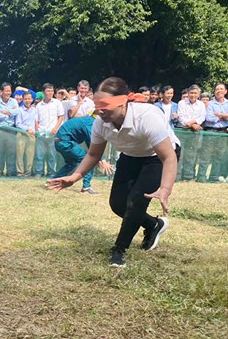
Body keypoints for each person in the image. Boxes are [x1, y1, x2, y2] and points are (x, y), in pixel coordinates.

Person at [48, 77, 180, 268]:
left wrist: (165, 188)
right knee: (118, 204)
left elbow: (169, 157)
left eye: (105, 106)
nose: (99, 111)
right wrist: (75, 177)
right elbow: (93, 154)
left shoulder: (146, 117)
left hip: (156, 157)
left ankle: (119, 250)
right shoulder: (100, 123)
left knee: (136, 201)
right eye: (97, 106)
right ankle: (153, 225)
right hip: (130, 155)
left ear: (122, 101)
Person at [52, 114, 114, 194]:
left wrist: (100, 159)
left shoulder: (87, 120)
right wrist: (103, 160)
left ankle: (54, 181)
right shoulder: (91, 123)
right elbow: (93, 145)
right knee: (88, 161)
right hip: (65, 143)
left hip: (59, 142)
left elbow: (91, 146)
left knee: (71, 163)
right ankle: (86, 187)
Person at [176, 84, 205, 181]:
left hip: (194, 133)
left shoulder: (201, 104)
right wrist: (192, 124)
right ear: (188, 93)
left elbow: (202, 117)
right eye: (191, 93)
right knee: (180, 155)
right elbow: (181, 116)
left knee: (191, 155)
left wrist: (192, 123)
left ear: (198, 94)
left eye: (195, 93)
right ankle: (177, 176)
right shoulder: (181, 103)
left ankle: (188, 177)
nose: (193, 95)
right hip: (183, 131)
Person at [200, 83, 228, 182]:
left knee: (219, 155)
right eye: (217, 89)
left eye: (221, 89)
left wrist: (219, 114)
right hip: (210, 131)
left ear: (225, 91)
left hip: (223, 132)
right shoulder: (210, 104)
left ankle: (213, 177)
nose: (219, 91)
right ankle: (201, 177)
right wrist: (225, 116)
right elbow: (209, 118)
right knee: (205, 155)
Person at [35, 83, 63, 177]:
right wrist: (37, 130)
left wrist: (56, 128)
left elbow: (60, 117)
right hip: (41, 133)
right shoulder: (39, 105)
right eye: (48, 91)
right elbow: (36, 120)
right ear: (43, 92)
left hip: (53, 133)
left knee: (52, 154)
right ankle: (39, 172)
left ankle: (51, 172)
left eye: (52, 90)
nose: (50, 93)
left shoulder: (57, 103)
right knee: (39, 155)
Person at [0, 82, 19, 176]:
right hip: (0, 129)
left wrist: (6, 112)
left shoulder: (14, 101)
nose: (9, 93)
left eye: (10, 91)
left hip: (11, 129)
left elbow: (17, 111)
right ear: (2, 92)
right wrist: (10, 113)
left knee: (11, 151)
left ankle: (10, 172)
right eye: (7, 91)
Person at [15, 92, 37, 177]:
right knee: (20, 154)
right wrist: (27, 129)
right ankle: (20, 172)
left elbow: (36, 122)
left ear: (32, 99)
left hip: (31, 135)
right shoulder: (19, 110)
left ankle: (28, 173)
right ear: (23, 100)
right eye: (26, 99)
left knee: (30, 154)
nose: (27, 100)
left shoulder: (35, 110)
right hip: (21, 134)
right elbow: (18, 123)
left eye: (29, 99)